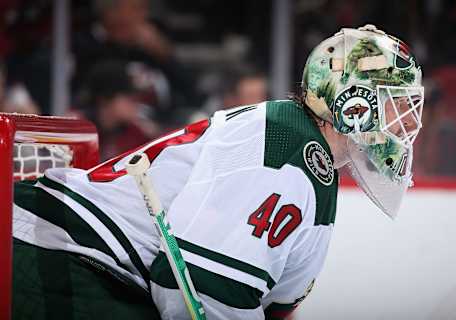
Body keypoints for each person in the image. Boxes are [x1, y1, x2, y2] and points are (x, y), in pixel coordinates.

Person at [12, 25, 424, 320]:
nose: (406, 122)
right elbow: (198, 287)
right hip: (50, 251)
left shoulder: (313, 168)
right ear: (352, 101)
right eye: (396, 103)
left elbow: (271, 304)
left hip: (77, 257)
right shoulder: (285, 148)